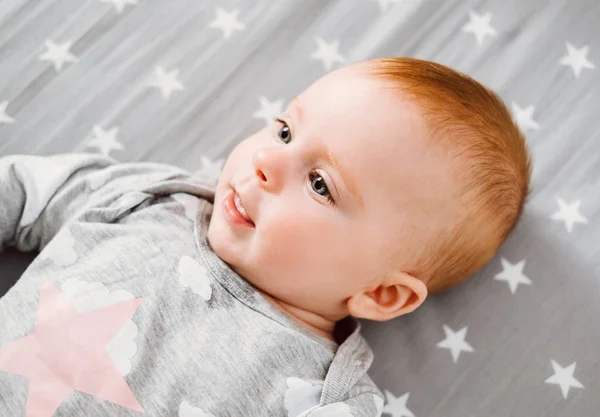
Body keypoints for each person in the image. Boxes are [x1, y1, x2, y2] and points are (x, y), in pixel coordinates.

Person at [0, 57, 531, 417]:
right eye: (284, 130)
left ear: (381, 293)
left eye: (320, 184)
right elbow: (22, 191)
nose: (265, 162)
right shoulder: (148, 198)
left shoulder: (324, 398)